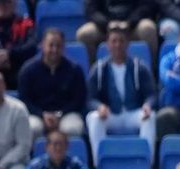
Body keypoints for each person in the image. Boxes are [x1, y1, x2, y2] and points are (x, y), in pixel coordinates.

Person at [85, 23, 157, 153]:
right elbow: (90, 98)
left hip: (133, 113)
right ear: (108, 45)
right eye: (114, 41)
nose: (118, 45)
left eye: (121, 41)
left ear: (127, 44)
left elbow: (151, 94)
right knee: (94, 118)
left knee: (150, 117)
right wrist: (99, 106)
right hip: (111, 114)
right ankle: (99, 161)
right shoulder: (99, 69)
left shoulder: (139, 67)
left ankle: (147, 160)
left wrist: (147, 105)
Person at [18, 28, 88, 141]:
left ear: (63, 47)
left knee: (73, 129)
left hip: (66, 114)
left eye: (58, 46)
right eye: (51, 45)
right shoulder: (28, 70)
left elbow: (79, 99)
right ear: (42, 45)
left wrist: (60, 114)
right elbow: (24, 99)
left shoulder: (74, 69)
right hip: (37, 114)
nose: (54, 50)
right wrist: (42, 114)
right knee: (32, 128)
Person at [77, 0, 158, 59]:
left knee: (148, 29)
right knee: (84, 34)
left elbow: (146, 6)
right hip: (105, 28)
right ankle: (94, 73)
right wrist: (107, 24)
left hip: (133, 26)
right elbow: (91, 10)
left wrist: (129, 22)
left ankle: (152, 72)